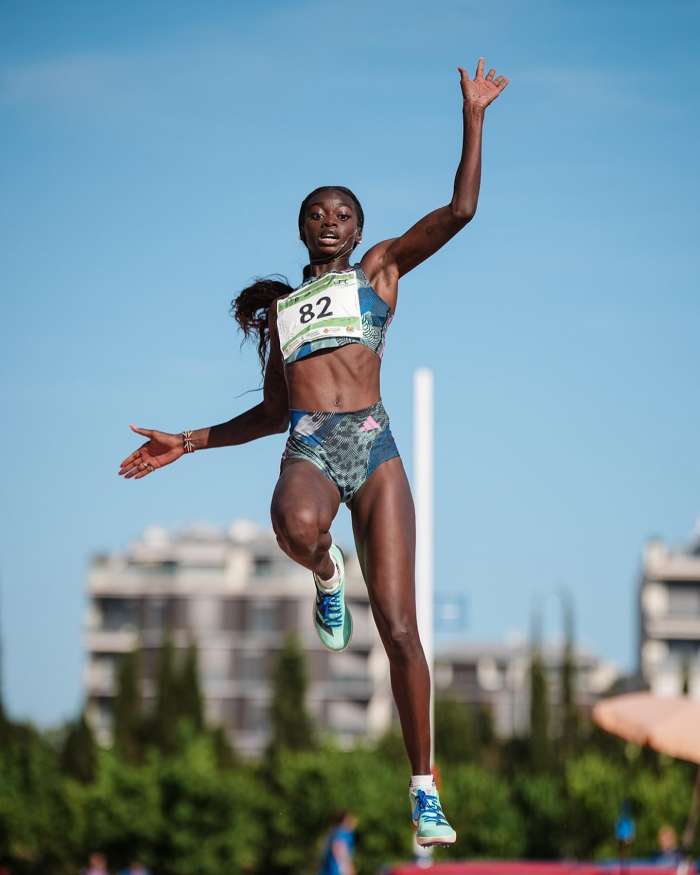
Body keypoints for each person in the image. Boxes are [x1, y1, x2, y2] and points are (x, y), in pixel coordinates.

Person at [118, 57, 508, 845]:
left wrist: (473, 117)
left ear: (359, 229)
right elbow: (272, 408)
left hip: (374, 445)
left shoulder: (381, 271)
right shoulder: (283, 311)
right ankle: (328, 573)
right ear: (303, 228)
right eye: (317, 212)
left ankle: (424, 788)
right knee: (293, 525)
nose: (330, 219)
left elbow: (462, 210)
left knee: (400, 629)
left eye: (343, 212)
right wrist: (188, 442)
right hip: (310, 444)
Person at [318, 811, 357, 875]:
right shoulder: (343, 833)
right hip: (336, 871)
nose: (355, 822)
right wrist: (350, 869)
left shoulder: (333, 832)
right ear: (346, 820)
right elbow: (340, 852)